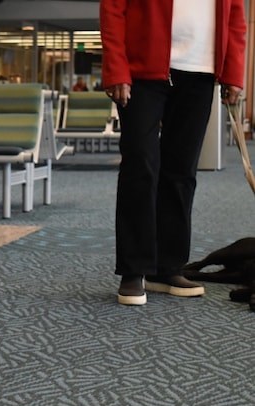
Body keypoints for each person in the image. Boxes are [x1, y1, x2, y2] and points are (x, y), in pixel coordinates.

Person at [100, 0, 246, 306]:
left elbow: (234, 17)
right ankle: (134, 269)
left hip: (200, 72)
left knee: (181, 172)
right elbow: (113, 8)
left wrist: (233, 71)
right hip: (143, 70)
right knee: (140, 164)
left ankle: (167, 268)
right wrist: (116, 67)